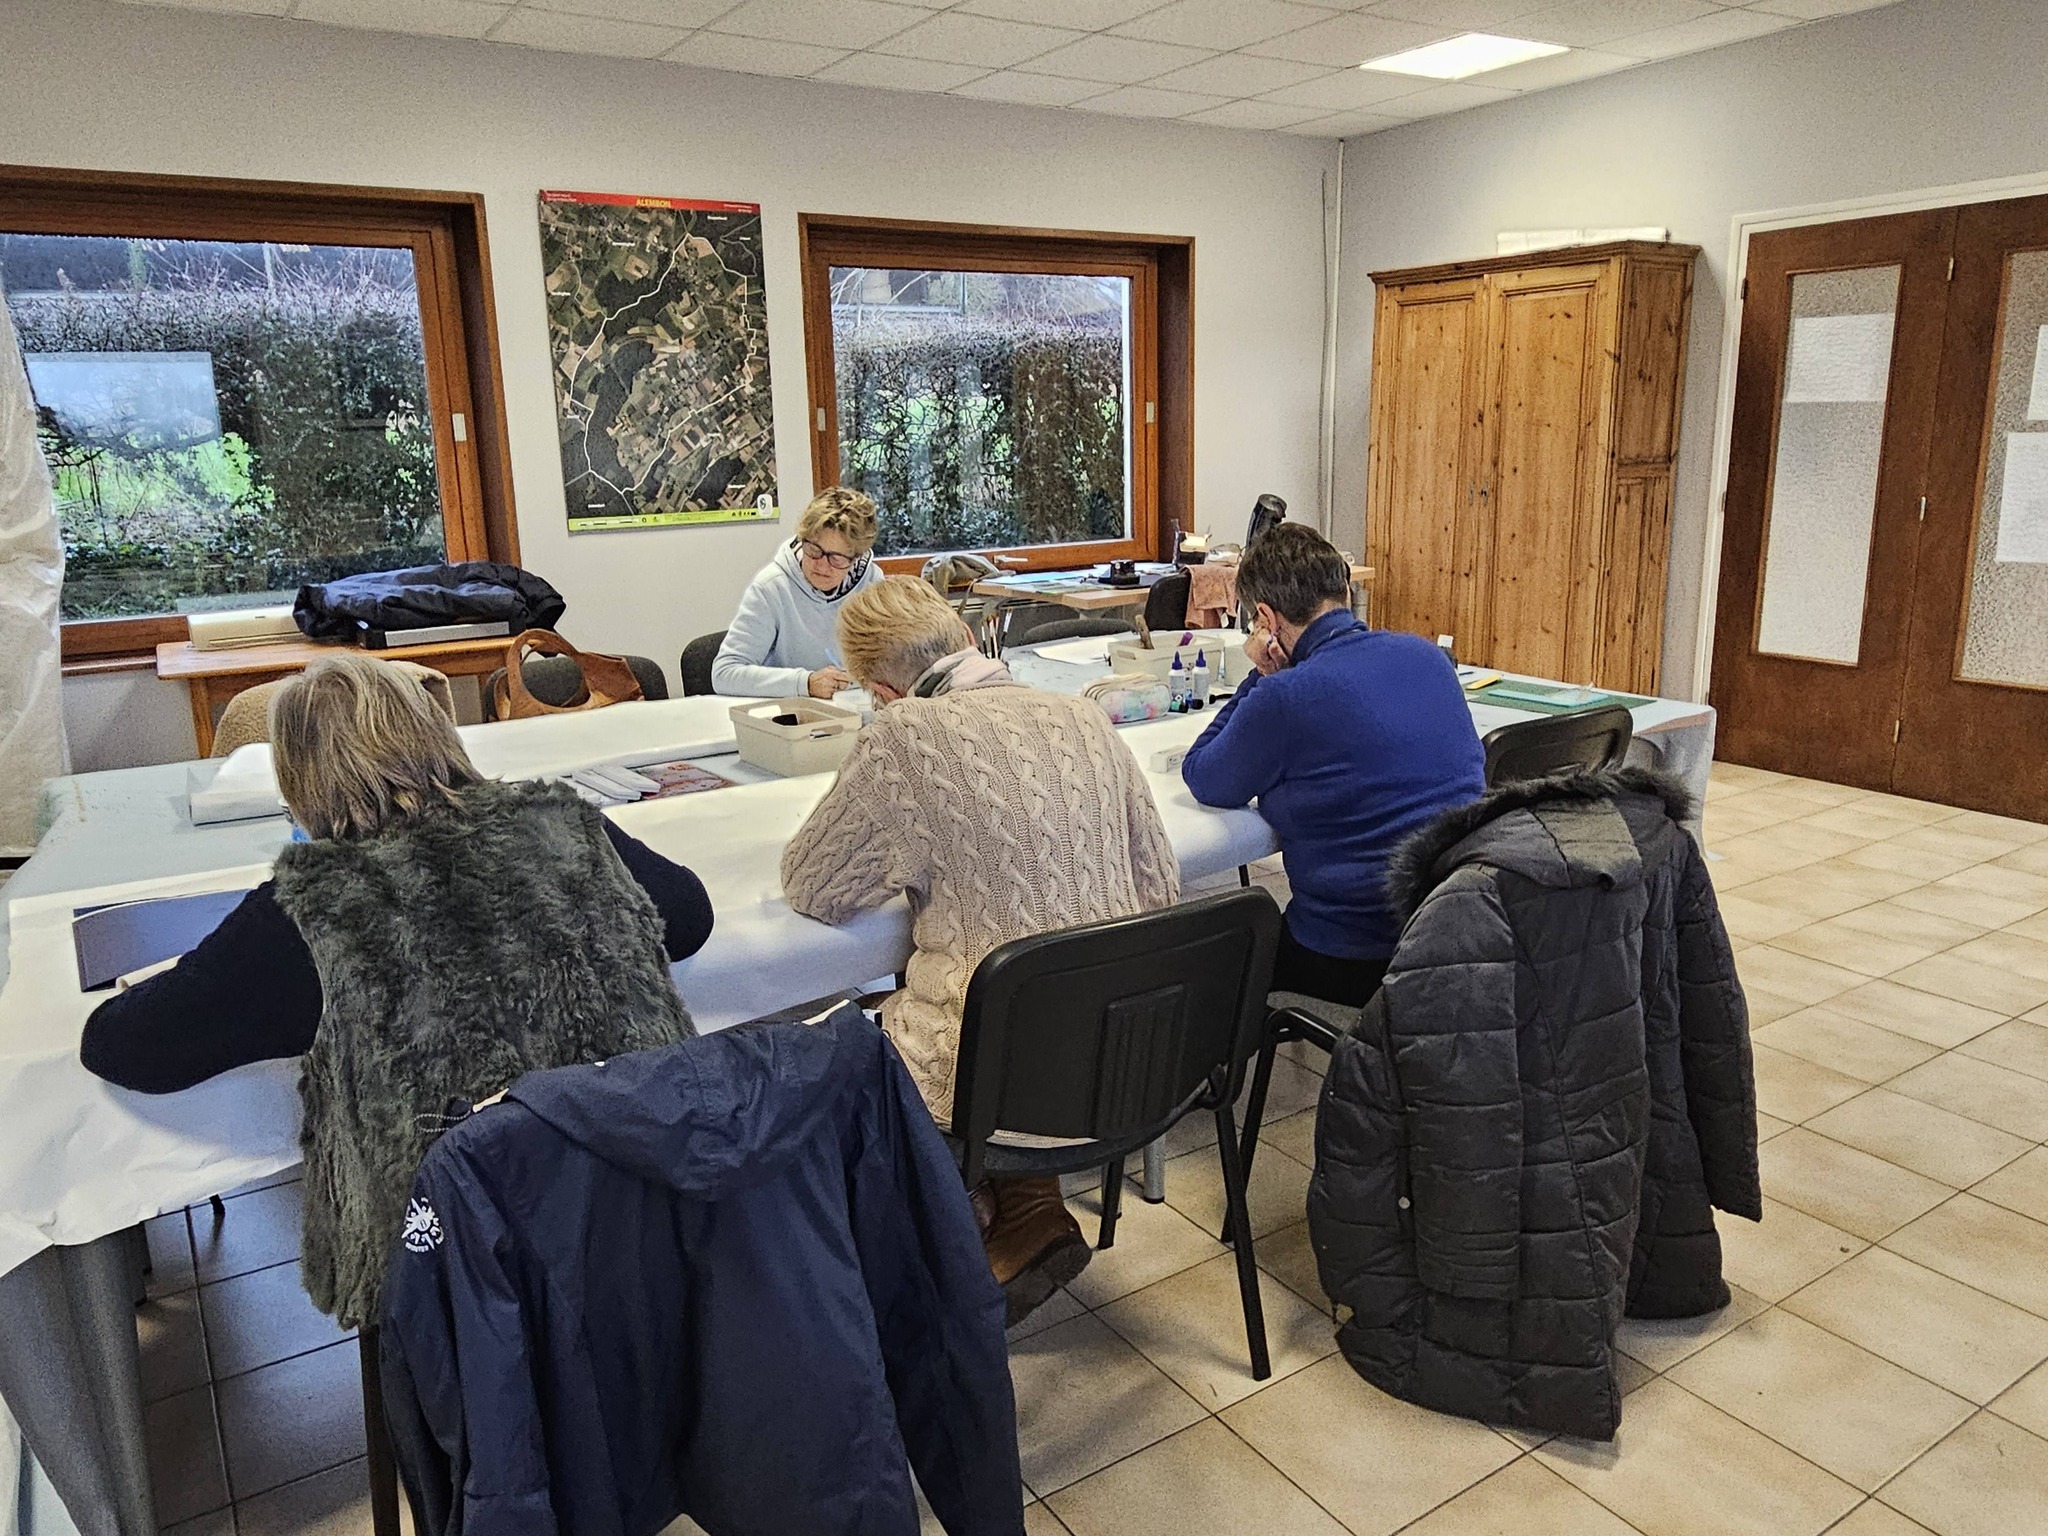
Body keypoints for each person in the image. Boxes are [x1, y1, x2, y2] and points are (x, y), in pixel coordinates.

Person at [80, 654, 712, 1328]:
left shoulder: (311, 908)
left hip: (450, 1260)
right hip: (635, 1192)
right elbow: (687, 919)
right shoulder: (566, 825)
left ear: (300, 783)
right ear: (438, 734)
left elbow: (127, 1046)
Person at [781, 576, 1180, 1323]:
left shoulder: (902, 735)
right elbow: (1159, 886)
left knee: (865, 1028)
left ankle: (949, 1236)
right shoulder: (1082, 715)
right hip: (1129, 1055)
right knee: (999, 996)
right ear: (968, 639)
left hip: (996, 1075)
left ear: (879, 691)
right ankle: (1029, 1209)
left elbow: (815, 887)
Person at [1182, 522, 1483, 1006]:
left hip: (1352, 953)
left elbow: (1204, 775)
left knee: (1216, 974)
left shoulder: (1285, 695)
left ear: (1266, 619)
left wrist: (1261, 675)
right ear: (1344, 589)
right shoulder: (1428, 657)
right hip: (1456, 935)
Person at [713, 486, 887, 698]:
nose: (822, 566)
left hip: (854, 706)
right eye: (814, 551)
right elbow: (725, 673)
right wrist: (805, 683)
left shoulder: (871, 584)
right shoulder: (771, 588)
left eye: (836, 558)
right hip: (791, 710)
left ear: (856, 558)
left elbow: (889, 660)